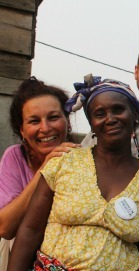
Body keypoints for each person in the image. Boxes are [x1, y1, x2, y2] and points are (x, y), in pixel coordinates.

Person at [9, 75, 139, 270]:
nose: (110, 119)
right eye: (100, 113)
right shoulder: (64, 161)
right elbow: (30, 230)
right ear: (92, 124)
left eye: (118, 110)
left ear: (135, 115)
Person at [0, 77, 80, 269]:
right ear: (22, 131)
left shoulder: (83, 156)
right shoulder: (15, 157)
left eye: (53, 117)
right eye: (34, 121)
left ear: (67, 122)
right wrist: (44, 170)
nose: (45, 128)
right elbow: (6, 227)